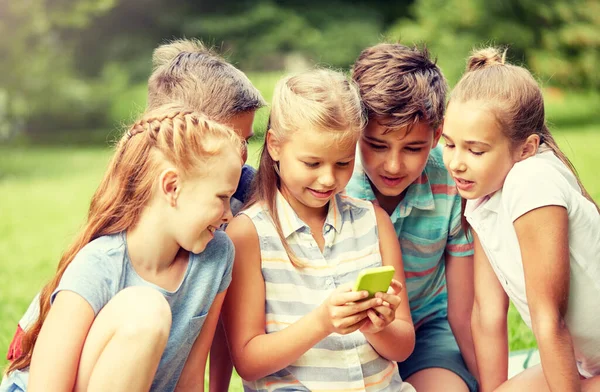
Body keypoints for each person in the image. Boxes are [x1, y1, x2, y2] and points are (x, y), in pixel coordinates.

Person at [5, 39, 265, 391]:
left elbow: (192, 374)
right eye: (234, 138)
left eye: (247, 142)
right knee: (145, 309)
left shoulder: (223, 230)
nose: (242, 155)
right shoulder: (107, 251)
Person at [221, 69, 416, 391]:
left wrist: (377, 326)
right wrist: (322, 322)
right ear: (275, 147)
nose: (328, 179)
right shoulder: (248, 235)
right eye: (312, 164)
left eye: (342, 163)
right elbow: (248, 362)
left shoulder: (374, 222)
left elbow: (403, 346)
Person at [441, 47, 600, 392]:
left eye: (476, 150)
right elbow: (487, 312)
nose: (456, 163)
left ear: (526, 147)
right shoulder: (480, 191)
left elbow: (549, 320)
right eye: (449, 144)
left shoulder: (532, 182)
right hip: (582, 362)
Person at [346, 43, 478, 392]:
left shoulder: (451, 184)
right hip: (347, 341)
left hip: (427, 333)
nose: (392, 165)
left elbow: (463, 315)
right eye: (376, 145)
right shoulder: (335, 184)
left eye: (413, 148)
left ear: (437, 135)